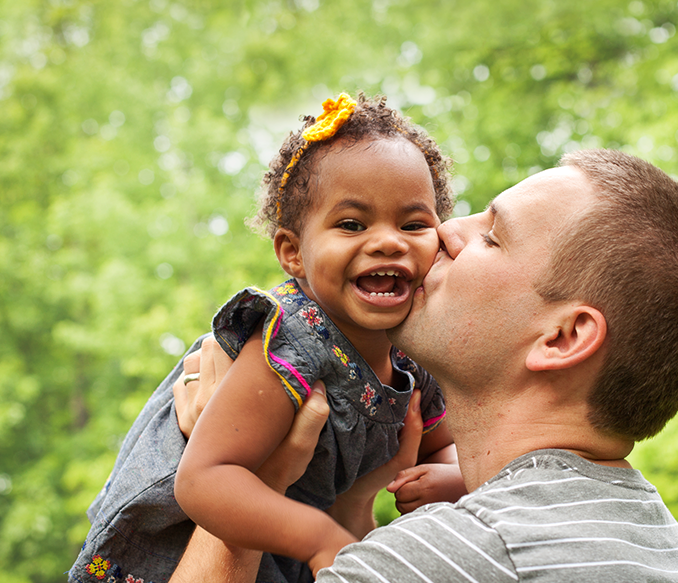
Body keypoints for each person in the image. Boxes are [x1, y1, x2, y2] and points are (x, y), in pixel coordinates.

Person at [171, 148, 678, 582]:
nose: (444, 231)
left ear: (563, 337)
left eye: (492, 236)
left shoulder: (469, 553)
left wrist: (261, 479)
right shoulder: (667, 552)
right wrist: (354, 504)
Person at [69, 93, 467, 583]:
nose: (388, 240)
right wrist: (319, 537)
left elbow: (444, 444)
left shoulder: (416, 350)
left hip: (283, 551)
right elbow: (205, 481)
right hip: (177, 548)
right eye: (351, 224)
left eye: (413, 223)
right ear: (293, 253)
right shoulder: (291, 340)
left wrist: (453, 477)